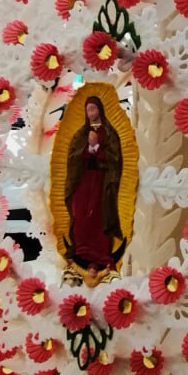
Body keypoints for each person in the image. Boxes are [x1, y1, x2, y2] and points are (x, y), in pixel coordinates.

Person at [63, 96, 123, 280]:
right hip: (82, 181)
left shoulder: (109, 133)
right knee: (80, 214)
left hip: (101, 181)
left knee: (98, 215)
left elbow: (115, 158)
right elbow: (72, 158)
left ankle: (100, 254)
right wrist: (87, 148)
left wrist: (97, 146)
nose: (91, 113)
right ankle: (80, 250)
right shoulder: (81, 134)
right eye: (88, 110)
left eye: (94, 109)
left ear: (100, 111)